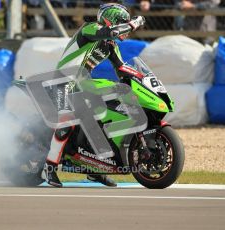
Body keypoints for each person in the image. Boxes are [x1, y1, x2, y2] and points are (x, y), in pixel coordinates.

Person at [41, 3, 146, 187]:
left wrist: (141, 80)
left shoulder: (110, 44)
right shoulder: (91, 28)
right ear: (112, 20)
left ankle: (94, 170)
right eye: (123, 23)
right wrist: (133, 23)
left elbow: (121, 68)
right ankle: (49, 168)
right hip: (63, 81)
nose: (127, 29)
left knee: (101, 120)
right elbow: (109, 32)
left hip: (81, 84)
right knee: (66, 122)